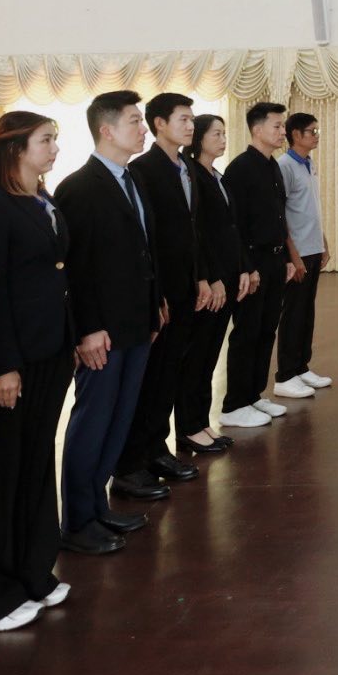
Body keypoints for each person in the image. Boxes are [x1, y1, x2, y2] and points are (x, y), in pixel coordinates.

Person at [0, 111, 75, 634]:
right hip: (13, 359)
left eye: (54, 140)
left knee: (34, 464)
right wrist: (0, 365)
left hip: (51, 352)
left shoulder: (44, 201)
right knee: (0, 476)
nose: (54, 149)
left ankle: (32, 571)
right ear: (15, 149)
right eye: (45, 140)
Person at [56, 90, 163, 557]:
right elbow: (76, 269)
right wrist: (86, 329)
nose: (143, 129)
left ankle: (98, 506)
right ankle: (78, 520)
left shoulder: (131, 179)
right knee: (93, 421)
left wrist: (153, 305)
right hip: (102, 331)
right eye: (135, 121)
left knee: (119, 420)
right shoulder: (80, 188)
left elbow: (143, 251)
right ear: (106, 130)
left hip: (135, 322)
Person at [119, 92, 205, 492]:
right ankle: (136, 457)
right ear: (160, 124)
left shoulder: (186, 166)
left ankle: (157, 448)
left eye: (192, 119)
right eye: (183, 119)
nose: (190, 126)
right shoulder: (143, 170)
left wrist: (200, 278)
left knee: (169, 374)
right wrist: (159, 293)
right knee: (150, 379)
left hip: (186, 287)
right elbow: (148, 239)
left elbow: (193, 231)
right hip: (162, 292)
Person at [218, 101, 299, 428]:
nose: (282, 132)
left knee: (266, 330)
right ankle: (234, 403)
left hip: (275, 259)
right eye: (277, 126)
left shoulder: (272, 166)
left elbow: (278, 216)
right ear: (257, 129)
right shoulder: (240, 169)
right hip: (254, 261)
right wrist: (246, 267)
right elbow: (234, 225)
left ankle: (253, 394)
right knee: (247, 331)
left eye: (283, 126)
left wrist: (287, 259)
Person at [179, 113, 242, 454]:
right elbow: (198, 234)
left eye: (224, 133)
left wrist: (241, 269)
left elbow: (231, 228)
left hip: (226, 276)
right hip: (210, 281)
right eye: (216, 133)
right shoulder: (192, 176)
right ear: (198, 138)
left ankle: (201, 421)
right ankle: (188, 427)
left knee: (209, 356)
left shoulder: (216, 175)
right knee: (197, 356)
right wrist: (212, 277)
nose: (222, 139)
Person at [270, 112, 334, 400]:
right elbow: (280, 214)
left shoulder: (309, 163)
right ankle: (285, 375)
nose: (316, 136)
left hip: (312, 247)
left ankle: (301, 367)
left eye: (317, 131)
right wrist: (293, 256)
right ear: (295, 135)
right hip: (298, 251)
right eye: (312, 131)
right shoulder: (285, 166)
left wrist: (323, 242)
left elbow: (311, 208)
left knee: (307, 311)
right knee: (293, 313)